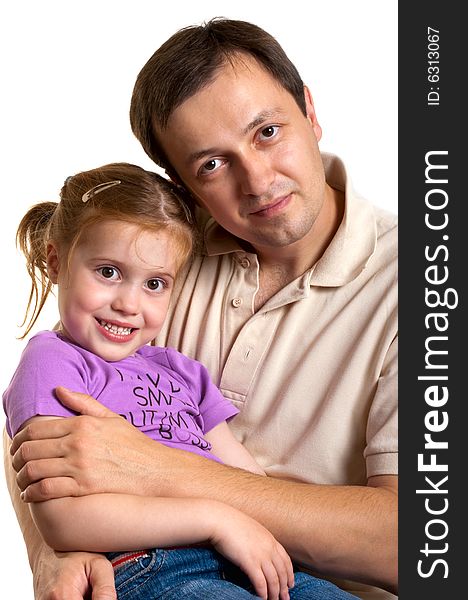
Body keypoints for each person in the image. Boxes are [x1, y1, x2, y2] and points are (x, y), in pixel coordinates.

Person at [4, 18, 398, 600]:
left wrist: (161, 472)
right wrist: (52, 549)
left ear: (310, 112)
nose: (258, 181)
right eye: (211, 164)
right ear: (182, 184)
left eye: (267, 131)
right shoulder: (159, 267)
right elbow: (46, 420)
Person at [3, 161, 358, 600]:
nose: (129, 304)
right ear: (57, 262)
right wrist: (217, 519)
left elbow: (247, 478)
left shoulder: (179, 369)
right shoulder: (52, 361)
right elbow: (62, 520)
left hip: (247, 554)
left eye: (155, 283)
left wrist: (249, 526)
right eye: (108, 272)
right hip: (148, 567)